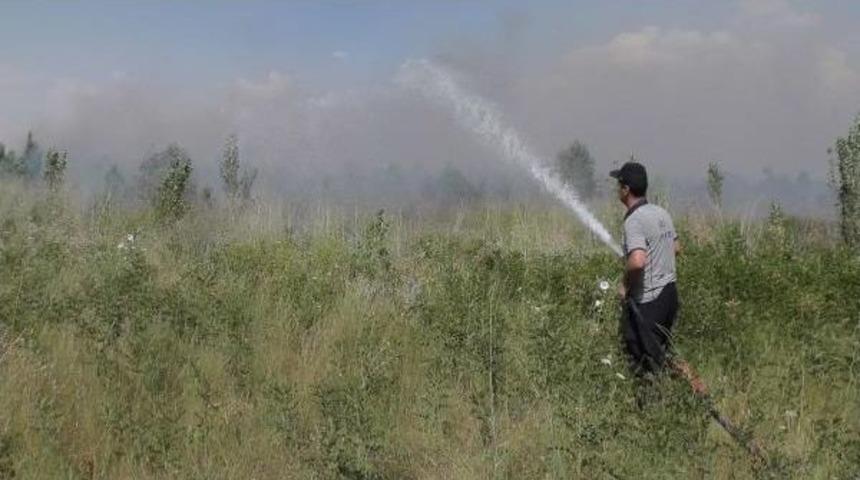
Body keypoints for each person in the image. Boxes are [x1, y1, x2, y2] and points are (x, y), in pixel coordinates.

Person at [610, 161, 681, 376]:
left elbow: (638, 261)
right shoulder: (661, 212)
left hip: (650, 301)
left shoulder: (634, 220)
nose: (617, 189)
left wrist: (624, 286)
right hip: (670, 295)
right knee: (661, 354)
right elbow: (676, 248)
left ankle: (652, 399)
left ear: (626, 189)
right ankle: (670, 392)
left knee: (641, 360)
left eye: (619, 185)